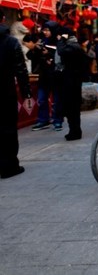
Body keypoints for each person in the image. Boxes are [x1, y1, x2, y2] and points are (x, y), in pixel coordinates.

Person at [0, 10, 32, 178]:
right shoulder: (11, 42)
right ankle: (9, 166)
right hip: (5, 91)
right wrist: (26, 93)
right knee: (8, 128)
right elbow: (21, 70)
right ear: (3, 19)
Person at [56, 28, 88, 141]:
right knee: (71, 108)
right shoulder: (73, 46)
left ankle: (75, 132)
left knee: (72, 108)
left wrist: (61, 40)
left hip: (72, 82)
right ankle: (74, 131)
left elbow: (61, 51)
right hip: (71, 81)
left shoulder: (73, 46)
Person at [31, 20, 64, 131]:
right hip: (44, 75)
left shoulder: (60, 42)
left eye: (47, 30)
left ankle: (57, 120)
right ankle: (43, 120)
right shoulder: (42, 41)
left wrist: (49, 55)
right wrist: (36, 50)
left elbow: (62, 57)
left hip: (55, 75)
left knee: (56, 99)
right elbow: (31, 56)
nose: (45, 32)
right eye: (44, 30)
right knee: (42, 99)